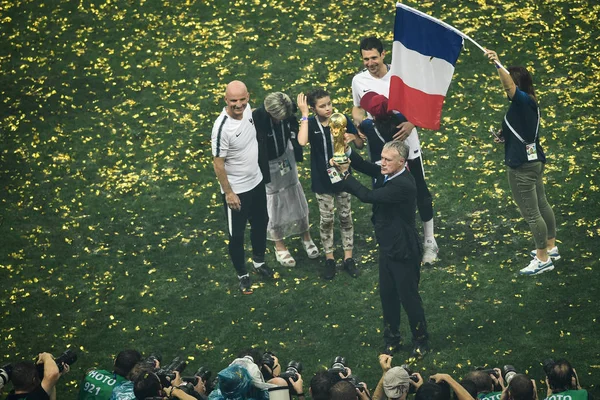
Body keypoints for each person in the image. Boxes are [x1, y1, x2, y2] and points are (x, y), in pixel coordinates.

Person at [331, 141, 429, 358]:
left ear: (401, 162)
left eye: (387, 160)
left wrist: (346, 177)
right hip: (388, 247)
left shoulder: (403, 185)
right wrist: (346, 151)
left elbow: (368, 196)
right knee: (388, 295)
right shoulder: (390, 173)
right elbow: (368, 167)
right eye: (382, 158)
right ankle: (392, 338)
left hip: (403, 250)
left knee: (409, 298)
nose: (382, 163)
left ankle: (421, 340)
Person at [351, 36, 439, 265]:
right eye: (365, 59)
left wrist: (412, 123)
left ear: (383, 55)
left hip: (408, 143)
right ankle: (393, 238)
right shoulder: (359, 81)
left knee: (420, 190)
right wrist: (359, 123)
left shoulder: (401, 75)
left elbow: (422, 104)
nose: (369, 63)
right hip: (381, 147)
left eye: (373, 58)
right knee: (383, 192)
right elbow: (358, 107)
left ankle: (430, 242)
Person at [485, 50, 559, 276]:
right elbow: (523, 131)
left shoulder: (522, 100)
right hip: (533, 162)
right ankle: (551, 246)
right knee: (542, 204)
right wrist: (504, 136)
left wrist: (498, 64)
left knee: (531, 213)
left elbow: (509, 88)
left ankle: (543, 258)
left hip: (522, 168)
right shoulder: (528, 103)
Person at [211, 80, 275, 295]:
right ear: (225, 100)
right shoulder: (221, 128)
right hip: (237, 190)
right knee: (236, 235)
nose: (238, 105)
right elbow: (218, 163)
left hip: (256, 182)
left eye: (242, 99)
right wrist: (229, 192)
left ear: (248, 97)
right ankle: (242, 275)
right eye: (233, 101)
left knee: (260, 223)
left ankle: (259, 262)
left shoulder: (249, 109)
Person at [297, 89, 359, 280]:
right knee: (326, 220)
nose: (328, 108)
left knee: (345, 216)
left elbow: (360, 143)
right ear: (314, 108)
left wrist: (353, 138)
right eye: (322, 106)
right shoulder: (310, 123)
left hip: (343, 177)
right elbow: (302, 141)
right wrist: (305, 115)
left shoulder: (341, 119)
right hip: (322, 180)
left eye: (329, 103)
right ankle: (330, 258)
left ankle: (348, 258)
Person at [252, 92, 319, 267]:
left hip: (286, 156)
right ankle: (279, 244)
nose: (278, 121)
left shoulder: (287, 112)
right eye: (276, 118)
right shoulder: (255, 119)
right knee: (274, 201)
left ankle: (306, 235)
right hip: (267, 163)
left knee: (294, 192)